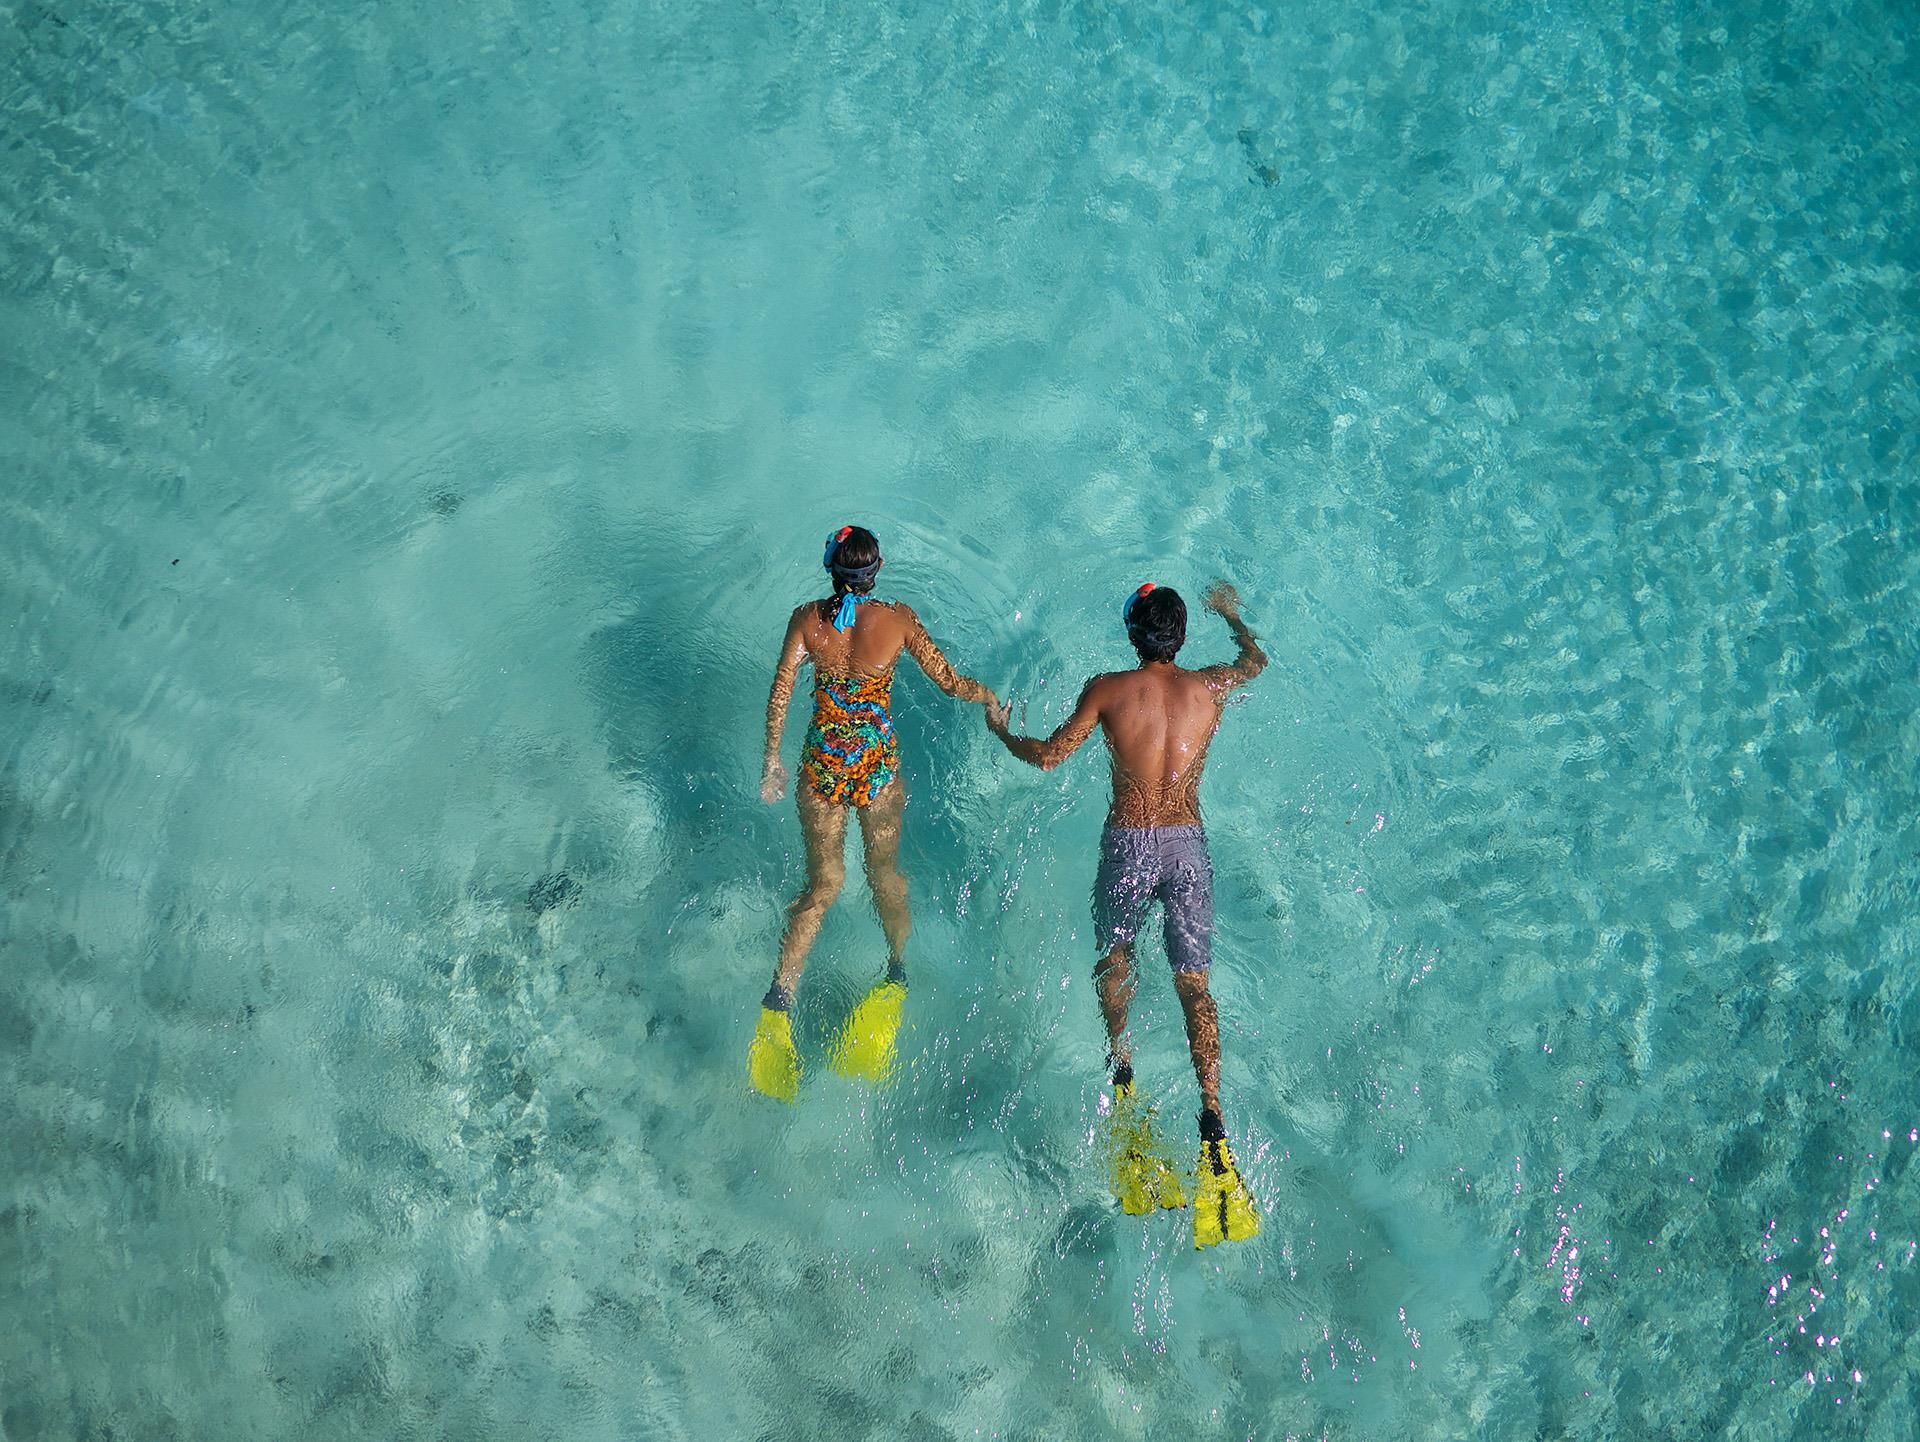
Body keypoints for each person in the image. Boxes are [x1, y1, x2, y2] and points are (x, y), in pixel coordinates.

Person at [985, 579, 1266, 1247]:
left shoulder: (1109, 689)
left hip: (1131, 845)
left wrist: (1002, 731)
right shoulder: (1209, 689)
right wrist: (1233, 615)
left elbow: (1050, 756)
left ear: (1133, 635)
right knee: (1194, 985)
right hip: (1188, 847)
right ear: (1181, 638)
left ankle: (1124, 1067)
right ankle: (1213, 1121)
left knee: (1116, 956)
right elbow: (1256, 662)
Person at [749, 525, 997, 1101]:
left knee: (824, 885)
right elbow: (950, 681)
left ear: (830, 567)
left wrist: (771, 762)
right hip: (876, 770)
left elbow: (783, 689)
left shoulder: (806, 619)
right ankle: (896, 972)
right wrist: (987, 697)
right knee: (885, 876)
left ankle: (779, 999)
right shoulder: (900, 619)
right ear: (877, 569)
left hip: (822, 768)